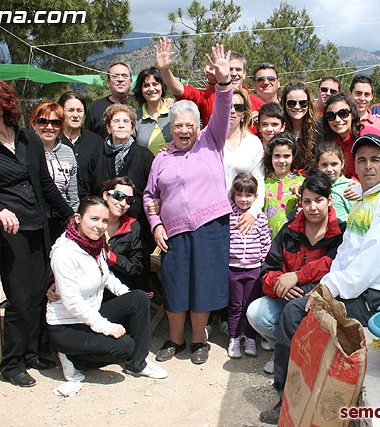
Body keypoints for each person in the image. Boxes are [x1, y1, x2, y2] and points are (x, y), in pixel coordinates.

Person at [260, 132, 380, 424]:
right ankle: (290, 394)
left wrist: (325, 290)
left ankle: (289, 396)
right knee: (297, 310)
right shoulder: (365, 200)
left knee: (299, 313)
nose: (368, 166)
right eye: (361, 160)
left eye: (375, 159)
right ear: (354, 166)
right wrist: (324, 286)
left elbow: (372, 261)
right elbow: (346, 255)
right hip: (361, 288)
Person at [0, 78, 74, 387]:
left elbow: (45, 185)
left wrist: (71, 215)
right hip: (8, 237)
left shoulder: (29, 141)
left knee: (37, 296)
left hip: (38, 229)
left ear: (1, 108)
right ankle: (11, 364)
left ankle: (32, 353)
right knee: (20, 300)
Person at [143, 43, 233, 365]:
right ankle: (174, 339)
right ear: (171, 128)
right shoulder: (162, 158)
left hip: (211, 228)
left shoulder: (211, 141)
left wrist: (223, 83)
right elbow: (150, 196)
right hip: (175, 232)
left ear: (199, 127)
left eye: (189, 125)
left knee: (204, 286)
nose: (183, 130)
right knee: (177, 286)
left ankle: (198, 341)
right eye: (177, 125)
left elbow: (222, 109)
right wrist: (155, 225)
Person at [46, 196, 167, 381]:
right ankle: (73, 359)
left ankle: (138, 363)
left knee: (139, 297)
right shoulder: (64, 252)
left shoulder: (95, 244)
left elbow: (106, 275)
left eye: (104, 221)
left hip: (90, 313)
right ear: (78, 219)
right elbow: (72, 303)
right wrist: (106, 327)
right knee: (125, 346)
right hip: (66, 325)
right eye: (93, 219)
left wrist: (128, 297)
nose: (100, 226)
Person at [247, 171, 345, 374]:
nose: (313, 207)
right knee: (256, 312)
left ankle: (311, 355)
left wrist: (298, 276)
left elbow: (333, 263)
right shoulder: (289, 231)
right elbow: (267, 272)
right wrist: (280, 285)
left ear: (330, 200)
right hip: (287, 300)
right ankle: (285, 351)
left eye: (319, 200)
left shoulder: (341, 233)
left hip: (322, 303)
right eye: (307, 201)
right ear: (300, 202)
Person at [82, 103, 154, 246]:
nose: (121, 125)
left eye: (126, 121)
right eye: (116, 121)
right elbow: (87, 190)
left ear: (133, 127)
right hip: (101, 229)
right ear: (108, 127)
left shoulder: (145, 156)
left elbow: (153, 191)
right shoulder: (96, 156)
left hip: (136, 232)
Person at [155, 36, 263, 127]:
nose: (234, 73)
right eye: (229, 69)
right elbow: (181, 91)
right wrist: (165, 71)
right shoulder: (209, 98)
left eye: (238, 69)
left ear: (244, 73)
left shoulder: (257, 103)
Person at [321, 92, 380, 194]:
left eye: (343, 114)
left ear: (352, 114)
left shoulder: (369, 135)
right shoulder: (333, 141)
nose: (337, 120)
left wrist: (363, 186)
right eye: (331, 116)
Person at [227, 173, 271, 358]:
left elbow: (265, 243)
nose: (244, 199)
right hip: (233, 269)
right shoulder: (228, 216)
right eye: (239, 194)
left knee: (250, 305)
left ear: (255, 196)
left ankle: (250, 338)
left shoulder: (259, 217)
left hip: (254, 269)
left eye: (248, 195)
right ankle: (234, 338)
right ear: (233, 195)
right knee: (236, 305)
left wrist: (263, 265)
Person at [29, 101, 79, 242]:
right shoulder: (26, 151)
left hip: (62, 220)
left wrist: (73, 217)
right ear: (33, 124)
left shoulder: (68, 152)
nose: (49, 127)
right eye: (43, 121)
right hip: (35, 221)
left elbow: (73, 192)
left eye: (56, 122)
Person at [224, 88, 266, 233]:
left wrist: (253, 212)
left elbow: (259, 180)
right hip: (212, 217)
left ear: (245, 112)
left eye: (239, 107)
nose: (232, 111)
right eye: (228, 105)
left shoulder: (253, 143)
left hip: (242, 218)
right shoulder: (208, 140)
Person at [101, 177, 146, 291]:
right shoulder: (88, 220)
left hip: (118, 291)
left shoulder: (133, 227)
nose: (123, 203)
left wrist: (112, 258)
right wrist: (53, 282)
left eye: (129, 200)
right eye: (118, 196)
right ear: (106, 195)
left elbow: (137, 267)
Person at [57, 91, 103, 193]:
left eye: (79, 110)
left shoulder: (96, 141)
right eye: (70, 110)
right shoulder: (54, 141)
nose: (75, 115)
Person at [263, 134, 305, 239]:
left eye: (286, 156)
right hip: (264, 242)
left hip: (292, 241)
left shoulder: (302, 183)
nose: (281, 161)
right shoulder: (263, 180)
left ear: (293, 156)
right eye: (277, 156)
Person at [85, 62, 133, 139]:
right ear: (108, 82)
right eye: (115, 76)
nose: (120, 79)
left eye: (124, 76)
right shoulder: (95, 107)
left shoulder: (141, 103)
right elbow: (88, 138)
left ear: (130, 82)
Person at [132, 66, 172, 155]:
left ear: (162, 86)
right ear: (141, 90)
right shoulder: (135, 117)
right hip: (145, 168)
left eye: (155, 84)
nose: (151, 89)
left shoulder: (174, 112)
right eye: (146, 85)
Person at [314, 141, 358, 222]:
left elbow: (358, 218)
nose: (329, 169)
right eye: (324, 165)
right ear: (317, 165)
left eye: (334, 164)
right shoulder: (315, 187)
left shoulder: (350, 187)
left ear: (342, 164)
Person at [280, 81, 318, 169]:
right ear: (284, 104)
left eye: (303, 103)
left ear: (309, 104)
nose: (297, 107)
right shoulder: (279, 127)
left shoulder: (318, 127)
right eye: (291, 103)